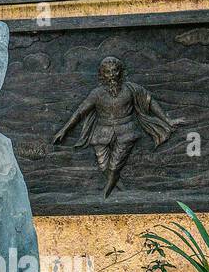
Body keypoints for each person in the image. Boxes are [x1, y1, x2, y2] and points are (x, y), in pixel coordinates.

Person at [52, 55, 177, 198]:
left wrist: (167, 120)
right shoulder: (97, 93)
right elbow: (80, 112)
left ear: (120, 72)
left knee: (114, 165)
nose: (112, 75)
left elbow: (150, 102)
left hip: (126, 131)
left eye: (115, 71)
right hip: (101, 133)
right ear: (102, 74)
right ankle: (120, 187)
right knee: (103, 166)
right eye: (108, 72)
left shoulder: (131, 89)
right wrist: (64, 130)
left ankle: (105, 193)